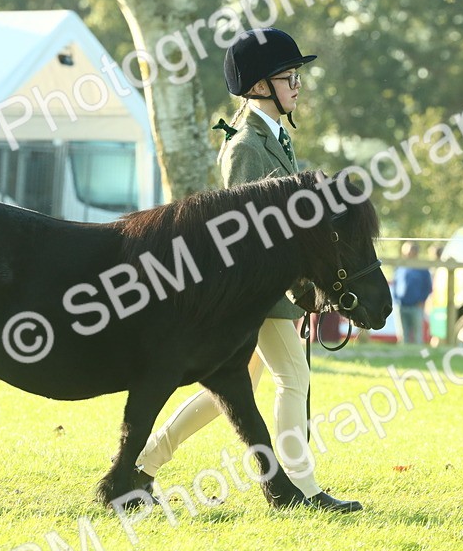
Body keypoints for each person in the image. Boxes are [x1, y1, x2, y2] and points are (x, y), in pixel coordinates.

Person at [132, 28, 363, 513]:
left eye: (297, 76)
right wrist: (298, 289)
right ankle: (302, 488)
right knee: (292, 379)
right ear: (260, 85)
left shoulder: (273, 137)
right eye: (288, 77)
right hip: (260, 292)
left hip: (279, 290)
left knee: (231, 390)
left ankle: (144, 463)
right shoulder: (244, 148)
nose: (297, 85)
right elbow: (254, 235)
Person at [393, 241, 432, 344]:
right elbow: (396, 283)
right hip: (401, 305)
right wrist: (396, 299)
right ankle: (403, 355)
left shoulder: (422, 269)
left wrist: (422, 300)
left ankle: (418, 355)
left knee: (417, 334)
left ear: (415, 252)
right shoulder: (400, 266)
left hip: (416, 306)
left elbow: (427, 287)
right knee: (402, 335)